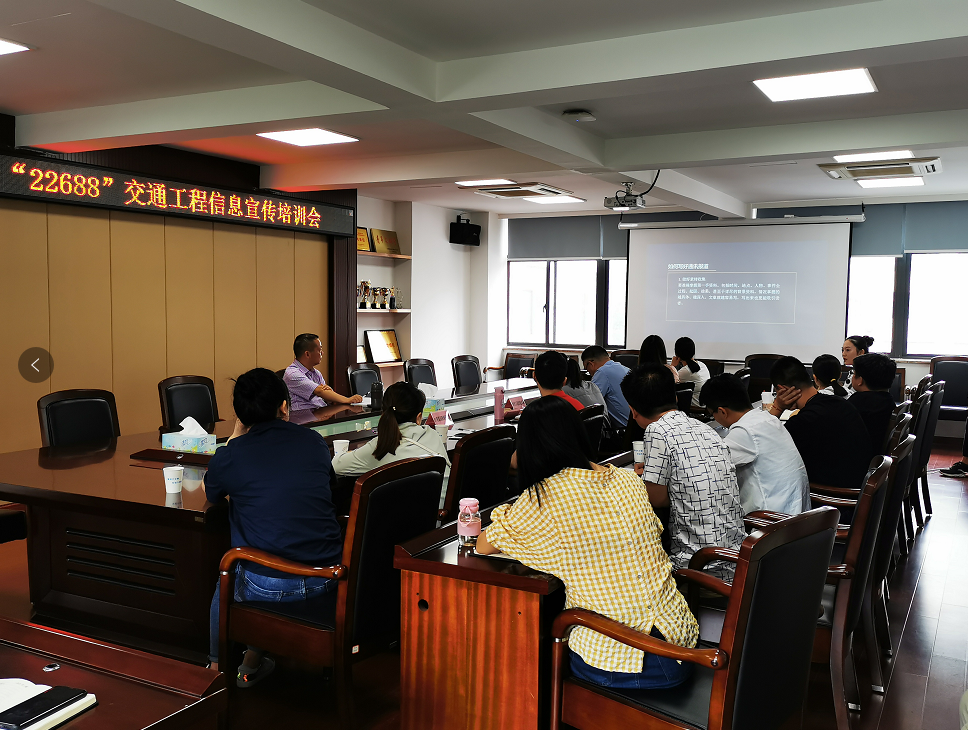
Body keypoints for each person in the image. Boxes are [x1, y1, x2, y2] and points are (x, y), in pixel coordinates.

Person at [477, 396, 699, 689]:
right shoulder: (628, 480)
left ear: (528, 446)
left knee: (536, 657)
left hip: (628, 662)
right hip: (680, 642)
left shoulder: (544, 498)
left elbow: (484, 544)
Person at [205, 368, 342, 685]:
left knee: (229, 570)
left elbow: (210, 492)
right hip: (329, 576)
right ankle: (249, 666)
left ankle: (213, 672)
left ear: (241, 415)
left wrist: (236, 435)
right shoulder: (314, 442)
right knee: (259, 557)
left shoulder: (233, 454)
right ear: (284, 406)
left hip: (270, 586)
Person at [620, 364, 744, 580]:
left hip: (701, 568)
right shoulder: (705, 428)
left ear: (633, 411)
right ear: (676, 398)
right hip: (737, 560)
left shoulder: (656, 430)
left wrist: (643, 479)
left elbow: (656, 499)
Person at [700, 374, 810, 515]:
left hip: (770, 521)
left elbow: (707, 466)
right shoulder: (768, 419)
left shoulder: (744, 432)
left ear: (722, 411)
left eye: (712, 414)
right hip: (797, 516)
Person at [768, 356, 874, 492]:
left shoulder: (804, 421)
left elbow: (764, 444)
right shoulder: (839, 402)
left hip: (835, 497)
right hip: (859, 486)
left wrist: (777, 407)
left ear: (781, 390)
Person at [332, 381, 449, 476]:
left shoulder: (380, 446)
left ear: (384, 413)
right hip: (443, 499)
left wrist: (355, 452)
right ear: (419, 417)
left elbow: (335, 466)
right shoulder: (433, 435)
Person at [284, 333, 363, 411]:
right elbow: (320, 392)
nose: (322, 353)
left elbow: (326, 395)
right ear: (307, 354)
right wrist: (348, 400)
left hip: (321, 411)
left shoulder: (316, 373)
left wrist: (328, 393)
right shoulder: (292, 374)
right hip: (304, 415)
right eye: (319, 350)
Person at [849, 353, 898, 452]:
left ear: (860, 380)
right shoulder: (887, 399)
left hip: (860, 455)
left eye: (854, 374)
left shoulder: (858, 402)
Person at [581, 346, 631, 428]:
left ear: (590, 363)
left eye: (586, 368)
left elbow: (591, 402)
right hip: (636, 426)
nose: (589, 372)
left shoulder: (602, 372)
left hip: (622, 430)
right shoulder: (626, 369)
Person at [671, 337, 709, 407]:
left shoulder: (686, 371)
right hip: (704, 406)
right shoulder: (702, 365)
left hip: (694, 409)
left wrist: (672, 366)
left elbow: (667, 383)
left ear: (677, 354)